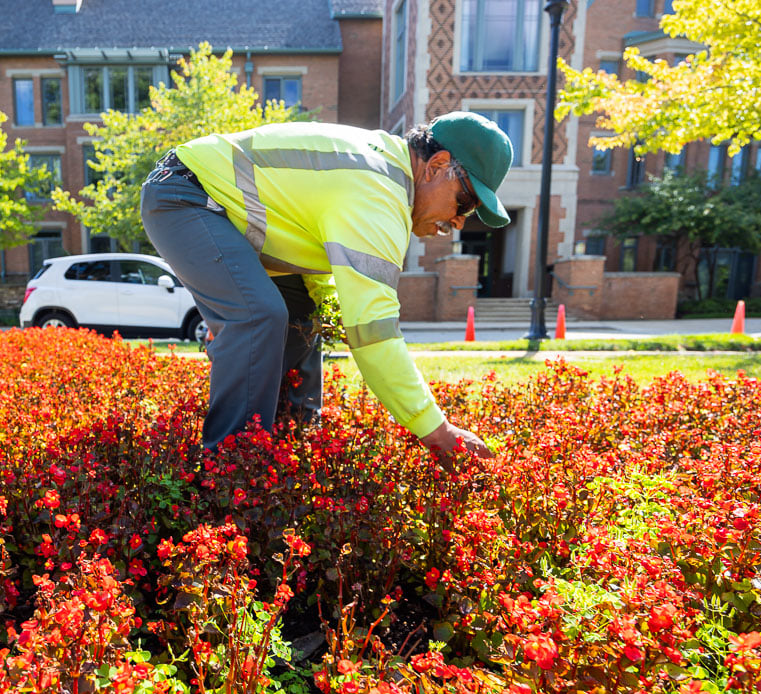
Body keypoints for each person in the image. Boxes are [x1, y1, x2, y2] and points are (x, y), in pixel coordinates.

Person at [140, 111, 512, 459]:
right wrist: (438, 432)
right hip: (185, 197)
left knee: (302, 318)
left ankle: (292, 446)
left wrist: (322, 314)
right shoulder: (379, 194)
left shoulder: (383, 168)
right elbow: (375, 333)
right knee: (258, 318)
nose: (461, 221)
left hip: (222, 212)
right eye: (465, 202)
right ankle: (229, 473)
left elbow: (316, 261)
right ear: (437, 166)